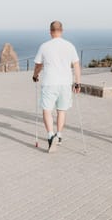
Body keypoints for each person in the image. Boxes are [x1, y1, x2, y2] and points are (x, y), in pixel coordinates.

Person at [33, 21, 81, 153]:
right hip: (65, 83)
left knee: (47, 110)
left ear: (50, 31)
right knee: (61, 110)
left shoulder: (44, 46)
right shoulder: (69, 46)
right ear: (62, 30)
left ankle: (50, 135)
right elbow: (76, 65)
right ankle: (59, 135)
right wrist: (78, 82)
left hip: (49, 83)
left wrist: (35, 75)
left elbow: (38, 65)